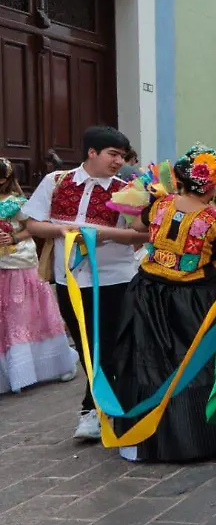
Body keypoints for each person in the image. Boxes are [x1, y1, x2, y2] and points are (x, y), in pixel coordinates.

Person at [111, 145, 216, 463]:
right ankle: (196, 440)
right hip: (191, 298)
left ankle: (142, 439)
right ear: (210, 185)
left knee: (144, 359)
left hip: (147, 292)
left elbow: (139, 228)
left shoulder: (160, 204)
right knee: (192, 361)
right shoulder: (214, 219)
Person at [23, 126, 145, 441]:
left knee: (108, 344)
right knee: (86, 343)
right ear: (92, 152)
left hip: (115, 278)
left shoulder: (127, 189)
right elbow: (33, 223)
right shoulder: (57, 181)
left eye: (122, 155)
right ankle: (106, 405)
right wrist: (66, 232)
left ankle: (93, 410)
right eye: (113, 154)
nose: (119, 161)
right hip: (71, 280)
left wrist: (101, 235)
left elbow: (142, 234)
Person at [0, 158, 78, 394]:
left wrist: (13, 237)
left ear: (5, 179)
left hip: (18, 264)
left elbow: (30, 228)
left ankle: (56, 361)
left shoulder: (17, 203)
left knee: (24, 316)